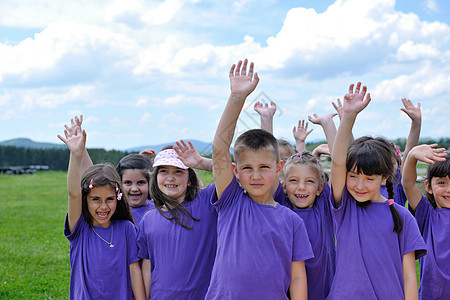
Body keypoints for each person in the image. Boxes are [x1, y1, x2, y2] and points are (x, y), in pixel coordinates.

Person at [206, 59, 313, 299]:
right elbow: (219, 149)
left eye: (264, 167)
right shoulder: (231, 202)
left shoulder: (292, 221)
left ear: (278, 168)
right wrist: (237, 97)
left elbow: (297, 278)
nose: (255, 176)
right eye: (247, 168)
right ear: (235, 171)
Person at [327, 82, 427, 299]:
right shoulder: (345, 207)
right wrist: (349, 117)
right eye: (353, 176)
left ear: (385, 178)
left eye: (369, 178)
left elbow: (410, 277)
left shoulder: (403, 217)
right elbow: (337, 162)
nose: (359, 185)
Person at [58, 126, 145, 300]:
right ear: (86, 200)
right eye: (96, 199)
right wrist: (76, 155)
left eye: (110, 199)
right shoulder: (80, 228)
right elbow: (73, 193)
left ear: (118, 198)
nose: (103, 207)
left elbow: (134, 270)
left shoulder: (127, 228)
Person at [137, 142, 217, 299]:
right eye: (164, 171)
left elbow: (231, 173)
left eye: (178, 171)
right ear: (155, 177)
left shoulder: (207, 202)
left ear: (189, 179)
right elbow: (147, 268)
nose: (170, 177)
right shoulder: (148, 219)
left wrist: (202, 162)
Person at [279, 151, 335, 299]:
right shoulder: (280, 206)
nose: (301, 187)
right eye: (294, 181)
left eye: (309, 181)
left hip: (323, 293)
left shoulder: (324, 207)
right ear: (283, 186)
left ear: (319, 188)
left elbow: (339, 164)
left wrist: (328, 126)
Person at [402, 144, 449, 299]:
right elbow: (408, 184)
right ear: (428, 187)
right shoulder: (426, 214)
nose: (448, 189)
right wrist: (411, 156)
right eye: (442, 183)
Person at [116, 154, 154, 225]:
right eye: (128, 182)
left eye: (140, 182)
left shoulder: (159, 211)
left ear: (150, 183)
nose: (134, 189)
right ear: (119, 184)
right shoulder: (115, 211)